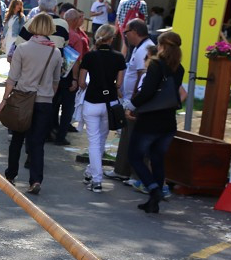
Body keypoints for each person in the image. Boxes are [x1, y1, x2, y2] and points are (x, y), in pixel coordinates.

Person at [0, 13, 62, 195]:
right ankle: (35, 179)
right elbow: (56, 81)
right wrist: (48, 94)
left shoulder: (22, 48)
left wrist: (4, 100)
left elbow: (12, 78)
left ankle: (10, 175)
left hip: (22, 100)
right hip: (44, 102)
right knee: (37, 143)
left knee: (17, 139)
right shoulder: (55, 52)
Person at [127, 31, 187, 213]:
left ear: (161, 46)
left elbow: (147, 92)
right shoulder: (179, 68)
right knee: (158, 159)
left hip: (150, 120)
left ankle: (154, 189)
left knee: (135, 157)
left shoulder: (155, 64)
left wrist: (131, 104)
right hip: (168, 121)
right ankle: (155, 199)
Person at [74, 25, 125, 192]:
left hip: (92, 101)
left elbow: (82, 82)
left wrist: (89, 85)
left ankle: (96, 179)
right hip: (109, 103)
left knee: (95, 142)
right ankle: (91, 172)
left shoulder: (89, 56)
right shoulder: (119, 57)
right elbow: (119, 84)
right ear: (112, 39)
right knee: (101, 141)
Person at [111, 19, 156, 185]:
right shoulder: (138, 47)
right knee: (127, 137)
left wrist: (133, 100)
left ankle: (134, 175)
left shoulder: (145, 48)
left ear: (135, 32)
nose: (125, 35)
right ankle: (122, 170)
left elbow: (141, 76)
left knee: (135, 139)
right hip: (131, 100)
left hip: (135, 101)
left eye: (126, 32)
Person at [51, 8, 89, 145]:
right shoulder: (76, 38)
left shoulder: (57, 32)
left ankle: (50, 131)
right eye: (79, 18)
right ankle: (61, 136)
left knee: (53, 105)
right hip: (67, 77)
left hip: (54, 74)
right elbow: (76, 61)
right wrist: (75, 79)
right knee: (67, 108)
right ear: (73, 20)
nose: (81, 20)